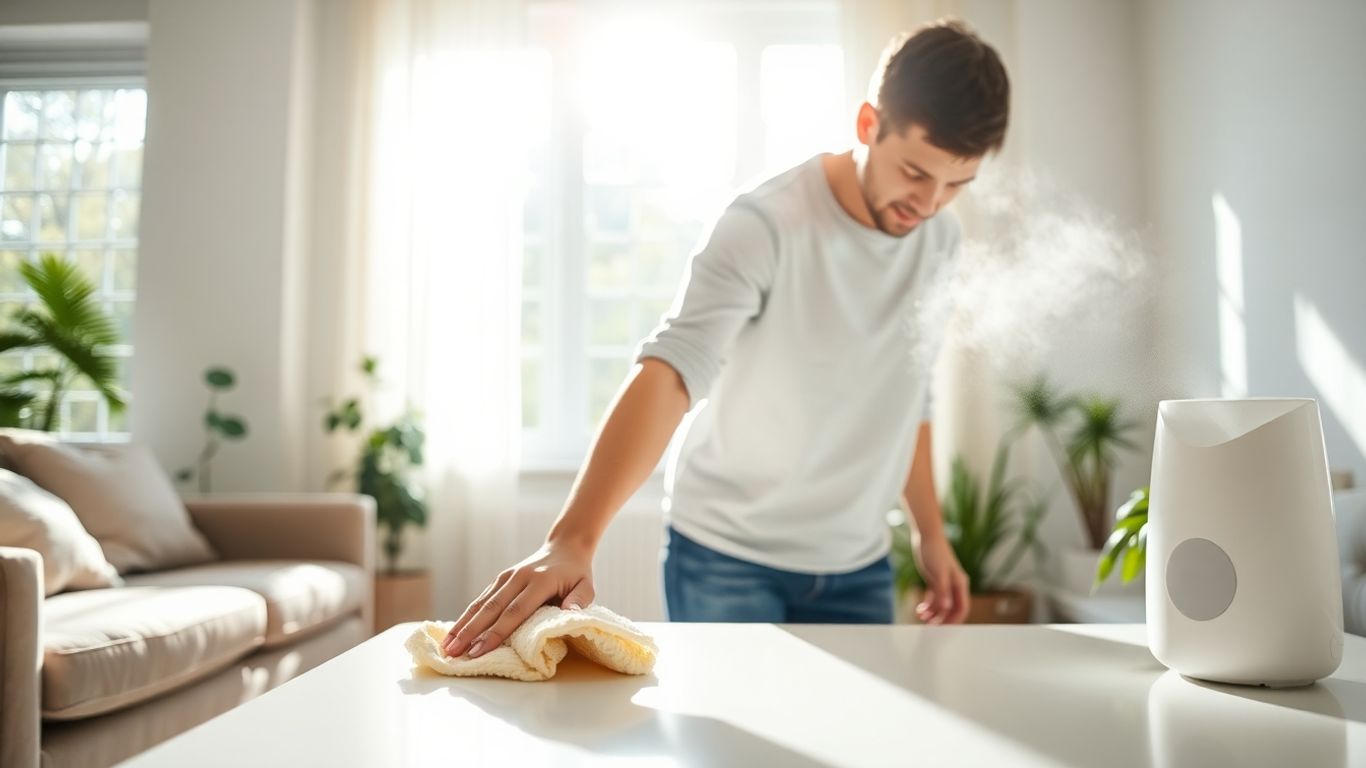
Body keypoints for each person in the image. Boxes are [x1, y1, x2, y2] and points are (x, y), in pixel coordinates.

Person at [442, 18, 1010, 660]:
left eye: (956, 184)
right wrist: (572, 539)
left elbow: (910, 393)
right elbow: (674, 370)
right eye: (914, 172)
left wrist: (930, 535)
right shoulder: (767, 223)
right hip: (727, 557)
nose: (930, 203)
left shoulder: (941, 241)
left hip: (858, 563)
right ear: (868, 125)